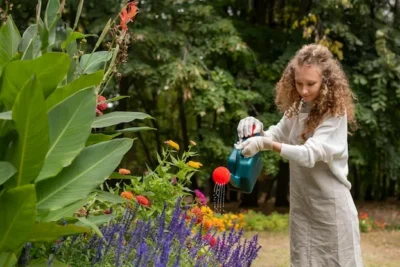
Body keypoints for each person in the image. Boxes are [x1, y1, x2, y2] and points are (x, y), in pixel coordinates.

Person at [235, 44, 363, 267]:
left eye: (311, 84)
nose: (303, 90)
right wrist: (256, 129)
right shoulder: (298, 107)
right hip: (303, 207)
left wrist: (265, 143)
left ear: (326, 81)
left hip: (331, 209)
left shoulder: (334, 114)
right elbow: (277, 133)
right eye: (298, 83)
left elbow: (308, 154)